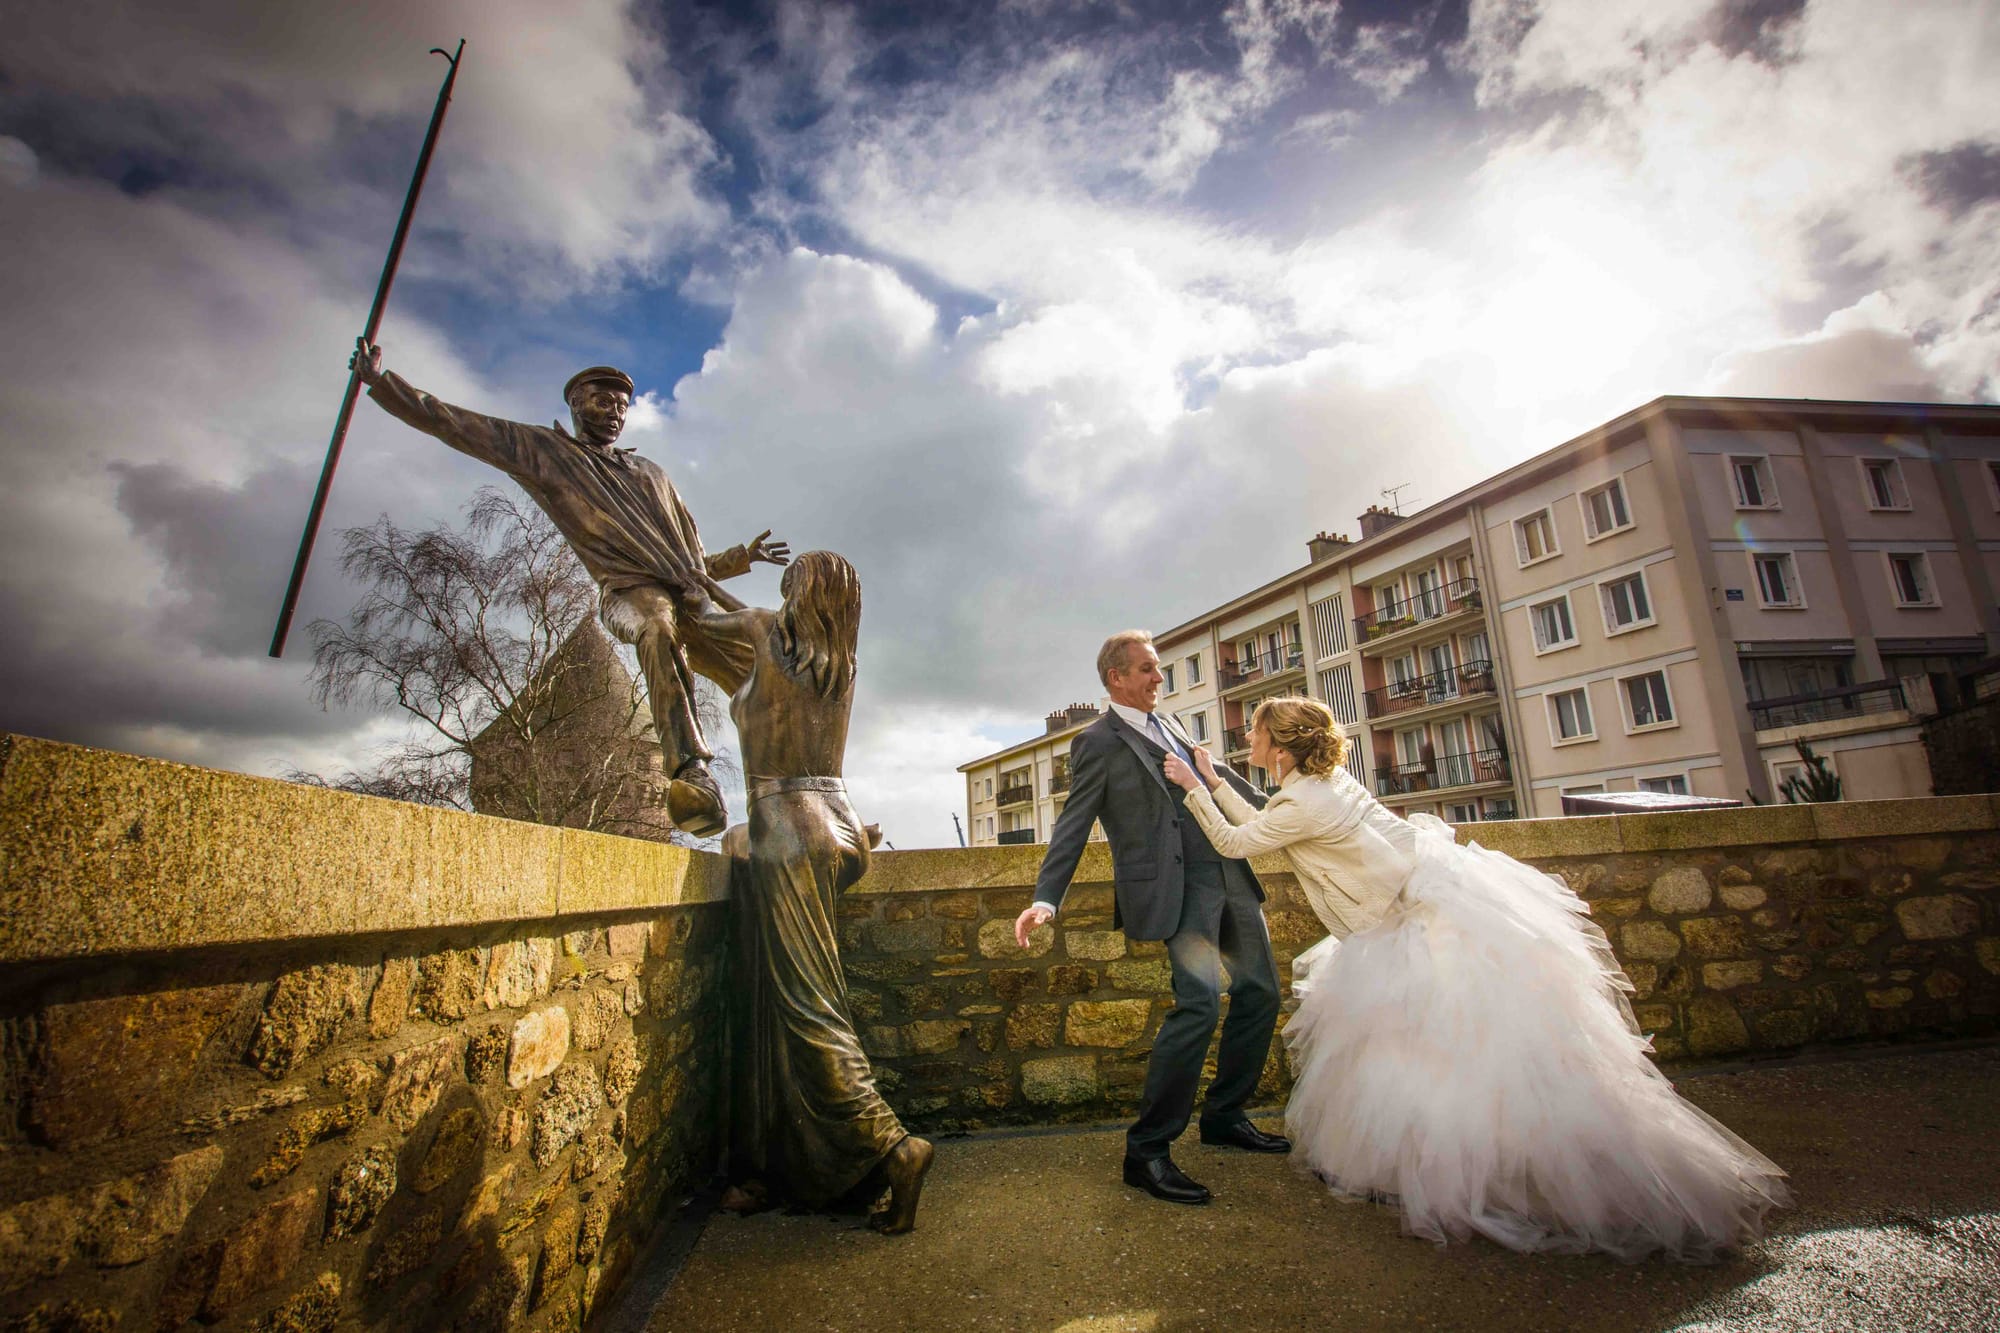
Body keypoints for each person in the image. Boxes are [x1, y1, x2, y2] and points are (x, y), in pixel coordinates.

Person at [1163, 696, 1792, 1261]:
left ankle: (1482, 1172)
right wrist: (1214, 780)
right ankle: (1432, 1162)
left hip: (1414, 923)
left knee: (1447, 1050)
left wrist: (1192, 786)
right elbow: (1266, 821)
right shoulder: (1319, 784)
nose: (1248, 740)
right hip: (1422, 902)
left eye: (1256, 733)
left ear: (1280, 746)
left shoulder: (1306, 800)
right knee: (1428, 1047)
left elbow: (1237, 842)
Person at [352, 338, 788, 836]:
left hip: (690, 597)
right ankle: (692, 771)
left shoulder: (652, 474)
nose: (615, 413)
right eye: (603, 402)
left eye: (622, 406)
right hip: (629, 592)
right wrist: (383, 384)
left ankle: (790, 796)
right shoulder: (550, 454)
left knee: (773, 670)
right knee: (657, 628)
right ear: (577, 405)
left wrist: (742, 557)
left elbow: (693, 566)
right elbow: (458, 425)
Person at [1013, 631, 1287, 1206]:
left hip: (1231, 875)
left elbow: (1217, 780)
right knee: (1199, 1005)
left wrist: (1297, 812)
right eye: (1147, 669)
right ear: (1116, 678)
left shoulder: (1173, 724)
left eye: (1157, 668)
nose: (1159, 679)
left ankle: (1224, 1116)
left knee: (1262, 992)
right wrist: (1046, 899)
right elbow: (1073, 822)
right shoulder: (1096, 742)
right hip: (1178, 891)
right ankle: (1147, 1151)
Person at [709, 551, 933, 1232]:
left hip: (788, 825)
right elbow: (741, 611)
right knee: (781, 998)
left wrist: (709, 567)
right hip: (840, 822)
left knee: (810, 1006)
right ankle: (796, 1167)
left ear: (796, 591)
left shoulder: (760, 631)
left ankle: (893, 1146)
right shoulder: (839, 659)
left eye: (787, 583)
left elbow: (690, 606)